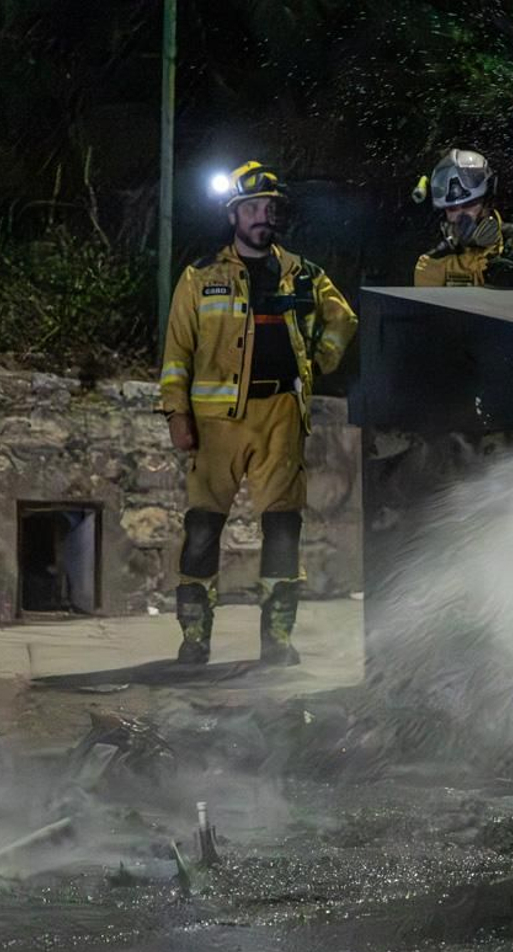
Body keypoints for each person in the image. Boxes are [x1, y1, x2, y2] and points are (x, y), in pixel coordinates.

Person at [158, 160, 357, 666]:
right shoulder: (201, 277)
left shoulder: (303, 274)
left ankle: (278, 639)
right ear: (234, 216)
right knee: (203, 527)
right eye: (252, 208)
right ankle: (194, 638)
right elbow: (177, 354)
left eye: (270, 208)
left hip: (281, 415)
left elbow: (343, 318)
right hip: (216, 423)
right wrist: (176, 415)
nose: (262, 216)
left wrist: (321, 357)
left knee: (284, 528)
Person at [413, 148, 513, 295]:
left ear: (489, 202)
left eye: (469, 205)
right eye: (452, 209)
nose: (461, 217)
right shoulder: (434, 261)